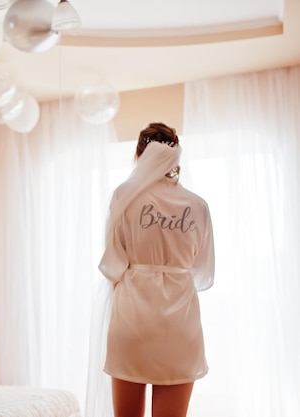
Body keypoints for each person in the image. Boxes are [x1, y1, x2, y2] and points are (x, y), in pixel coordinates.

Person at [98, 122, 215, 417]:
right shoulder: (197, 206)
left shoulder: (123, 197)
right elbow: (202, 273)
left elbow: (113, 265)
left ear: (139, 154)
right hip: (180, 324)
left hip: (132, 318)